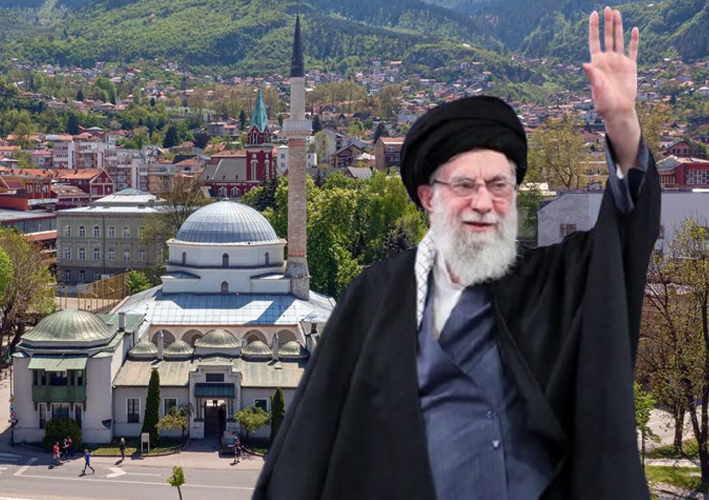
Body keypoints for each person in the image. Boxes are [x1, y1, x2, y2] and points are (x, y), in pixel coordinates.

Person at [253, 7, 659, 500]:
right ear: (429, 197)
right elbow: (308, 449)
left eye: (499, 185)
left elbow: (622, 239)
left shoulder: (547, 285)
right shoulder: (374, 300)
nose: (484, 203)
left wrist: (622, 123)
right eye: (465, 185)